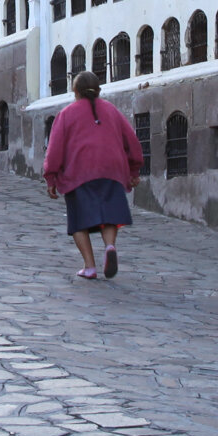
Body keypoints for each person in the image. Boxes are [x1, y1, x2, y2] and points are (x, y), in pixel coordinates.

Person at [42, 70, 143, 280]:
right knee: (109, 216)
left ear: (75, 91)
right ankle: (110, 247)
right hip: (112, 169)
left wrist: (50, 176)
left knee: (79, 221)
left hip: (79, 171)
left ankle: (89, 267)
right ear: (98, 90)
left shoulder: (66, 114)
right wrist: (134, 170)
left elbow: (55, 148)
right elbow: (131, 140)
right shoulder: (112, 111)